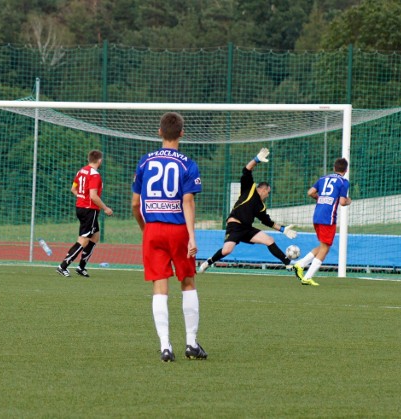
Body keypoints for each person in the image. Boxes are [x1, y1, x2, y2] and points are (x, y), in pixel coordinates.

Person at [131, 112, 206, 362]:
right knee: (187, 282)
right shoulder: (187, 163)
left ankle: (165, 346)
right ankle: (191, 343)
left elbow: (134, 203)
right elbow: (188, 201)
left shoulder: (144, 161)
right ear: (182, 133)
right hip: (178, 231)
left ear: (159, 132)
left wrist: (145, 228)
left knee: (159, 287)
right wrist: (192, 237)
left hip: (152, 230)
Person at [198, 148, 299, 277]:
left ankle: (287, 263)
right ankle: (208, 262)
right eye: (268, 192)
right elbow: (246, 170)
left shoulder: (261, 206)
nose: (268, 195)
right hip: (235, 226)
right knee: (227, 250)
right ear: (263, 189)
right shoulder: (249, 189)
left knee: (269, 240)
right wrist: (256, 160)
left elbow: (267, 222)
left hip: (246, 229)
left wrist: (283, 229)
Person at [292, 157, 352, 286]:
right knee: (325, 248)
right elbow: (342, 202)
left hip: (317, 215)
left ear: (334, 168)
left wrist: (320, 198)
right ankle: (307, 277)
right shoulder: (343, 182)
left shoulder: (323, 179)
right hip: (328, 218)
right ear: (346, 170)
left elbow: (310, 192)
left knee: (323, 246)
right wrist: (349, 201)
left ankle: (300, 264)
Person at [57, 150, 113, 278]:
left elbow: (73, 189)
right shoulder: (94, 175)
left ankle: (81, 267)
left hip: (81, 207)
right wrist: (105, 208)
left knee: (95, 237)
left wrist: (82, 198)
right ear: (99, 160)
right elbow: (93, 196)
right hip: (89, 210)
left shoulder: (81, 171)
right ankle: (63, 266)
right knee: (83, 239)